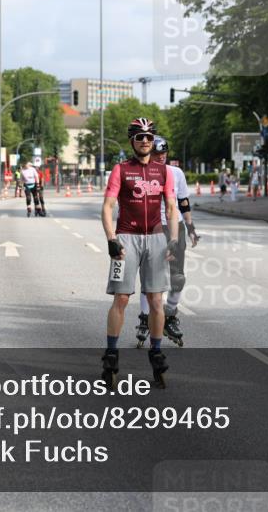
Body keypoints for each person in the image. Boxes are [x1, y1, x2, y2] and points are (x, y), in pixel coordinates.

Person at [101, 118, 179, 389]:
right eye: (139, 137)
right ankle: (111, 353)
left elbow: (171, 207)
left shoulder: (164, 171)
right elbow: (108, 206)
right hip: (126, 240)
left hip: (156, 239)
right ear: (132, 140)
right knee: (121, 298)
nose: (145, 141)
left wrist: (174, 239)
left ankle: (156, 352)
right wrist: (111, 239)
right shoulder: (121, 170)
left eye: (149, 137)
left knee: (156, 300)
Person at [136, 136, 200, 348]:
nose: (161, 158)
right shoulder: (141, 173)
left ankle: (170, 316)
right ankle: (146, 317)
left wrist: (190, 227)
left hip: (176, 226)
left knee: (178, 277)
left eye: (164, 154)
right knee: (150, 277)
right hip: (151, 227)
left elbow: (183, 202)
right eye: (157, 154)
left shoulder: (176, 173)